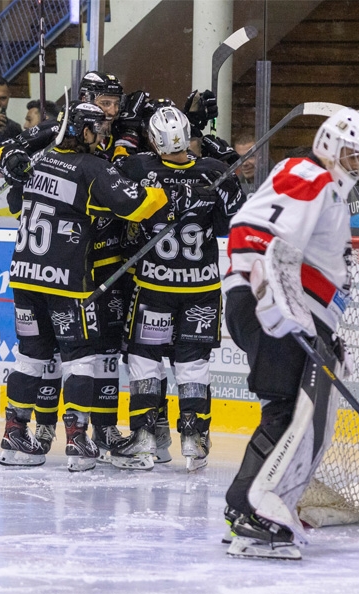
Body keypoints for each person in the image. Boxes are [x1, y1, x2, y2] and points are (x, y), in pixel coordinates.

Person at [0, 101, 215, 472]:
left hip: (24, 275)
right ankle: (79, 442)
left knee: (30, 356)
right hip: (67, 282)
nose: (101, 137)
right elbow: (137, 207)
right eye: (95, 130)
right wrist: (170, 196)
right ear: (80, 131)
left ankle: (14, 435)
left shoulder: (43, 160)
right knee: (81, 358)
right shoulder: (93, 168)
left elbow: (16, 202)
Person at [221, 108, 359, 559]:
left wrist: (327, 331)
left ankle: (245, 508)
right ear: (329, 143)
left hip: (295, 309)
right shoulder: (307, 173)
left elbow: (317, 268)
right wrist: (272, 297)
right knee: (297, 415)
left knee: (288, 411)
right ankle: (261, 518)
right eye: (351, 154)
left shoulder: (329, 190)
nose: (357, 165)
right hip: (274, 304)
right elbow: (250, 230)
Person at [111, 106, 244, 472]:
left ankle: (142, 436)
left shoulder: (139, 167)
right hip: (202, 288)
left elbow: (114, 190)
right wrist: (221, 174)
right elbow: (231, 220)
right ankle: (194, 437)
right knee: (193, 363)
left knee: (143, 359)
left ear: (154, 140)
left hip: (154, 286)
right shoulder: (214, 173)